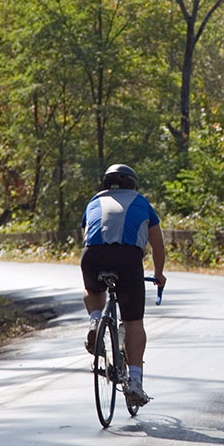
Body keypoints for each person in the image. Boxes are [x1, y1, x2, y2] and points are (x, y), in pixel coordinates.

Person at [80, 163, 167, 407]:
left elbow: (87, 235)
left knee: (92, 288)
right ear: (132, 184)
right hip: (128, 259)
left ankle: (96, 319)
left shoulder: (93, 202)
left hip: (92, 255)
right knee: (133, 322)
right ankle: (135, 382)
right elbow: (158, 245)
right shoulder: (141, 202)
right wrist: (158, 273)